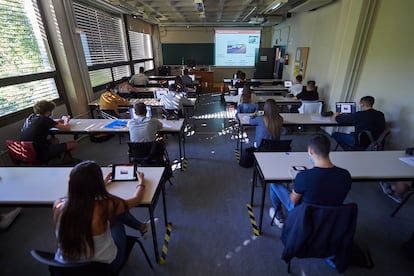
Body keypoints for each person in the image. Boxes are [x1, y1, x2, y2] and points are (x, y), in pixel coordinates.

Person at [53, 161, 156, 273]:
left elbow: (81, 196)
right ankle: (142, 228)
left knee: (111, 214)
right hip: (103, 268)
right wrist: (141, 182)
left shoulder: (58, 205)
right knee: (116, 216)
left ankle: (142, 227)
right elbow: (136, 199)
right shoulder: (106, 206)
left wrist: (103, 182)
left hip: (66, 269)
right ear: (96, 184)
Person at [269, 134, 352, 228]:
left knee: (274, 184)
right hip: (330, 216)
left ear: (310, 151)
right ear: (328, 150)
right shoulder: (345, 175)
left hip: (305, 215)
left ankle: (279, 217)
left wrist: (295, 188)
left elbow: (293, 199)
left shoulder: (304, 177)